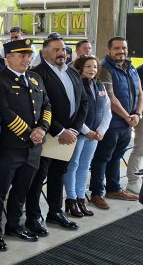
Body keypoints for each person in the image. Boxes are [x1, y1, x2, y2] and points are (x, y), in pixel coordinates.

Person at [0, 39, 52, 252]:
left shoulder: (35, 78)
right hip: (10, 148)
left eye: (28, 55)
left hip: (34, 148)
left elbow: (46, 105)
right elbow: (4, 112)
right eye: (21, 55)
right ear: (8, 58)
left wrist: (42, 128)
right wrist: (29, 133)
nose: (27, 59)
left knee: (21, 190)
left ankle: (14, 226)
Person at [25, 38, 87, 234]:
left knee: (58, 175)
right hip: (48, 135)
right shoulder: (37, 74)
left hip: (69, 136)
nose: (62, 53)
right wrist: (60, 131)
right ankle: (33, 217)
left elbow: (83, 102)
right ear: (45, 54)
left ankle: (55, 211)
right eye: (56, 50)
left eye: (63, 50)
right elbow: (39, 107)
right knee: (37, 178)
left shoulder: (72, 72)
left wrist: (74, 130)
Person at [89, 36, 141, 208]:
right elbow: (110, 98)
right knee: (102, 157)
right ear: (109, 50)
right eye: (117, 48)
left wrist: (138, 114)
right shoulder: (104, 68)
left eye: (124, 48)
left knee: (117, 157)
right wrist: (128, 116)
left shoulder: (130, 66)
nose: (121, 51)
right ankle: (96, 193)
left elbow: (140, 92)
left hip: (128, 122)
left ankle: (113, 188)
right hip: (111, 122)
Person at [64, 55, 111, 217]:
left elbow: (107, 111)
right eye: (88, 67)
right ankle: (71, 199)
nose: (92, 70)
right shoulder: (76, 85)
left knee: (85, 166)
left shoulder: (100, 86)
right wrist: (86, 131)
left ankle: (80, 198)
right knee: (73, 166)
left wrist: (101, 131)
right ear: (81, 68)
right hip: (79, 133)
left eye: (95, 67)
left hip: (94, 135)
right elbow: (74, 112)